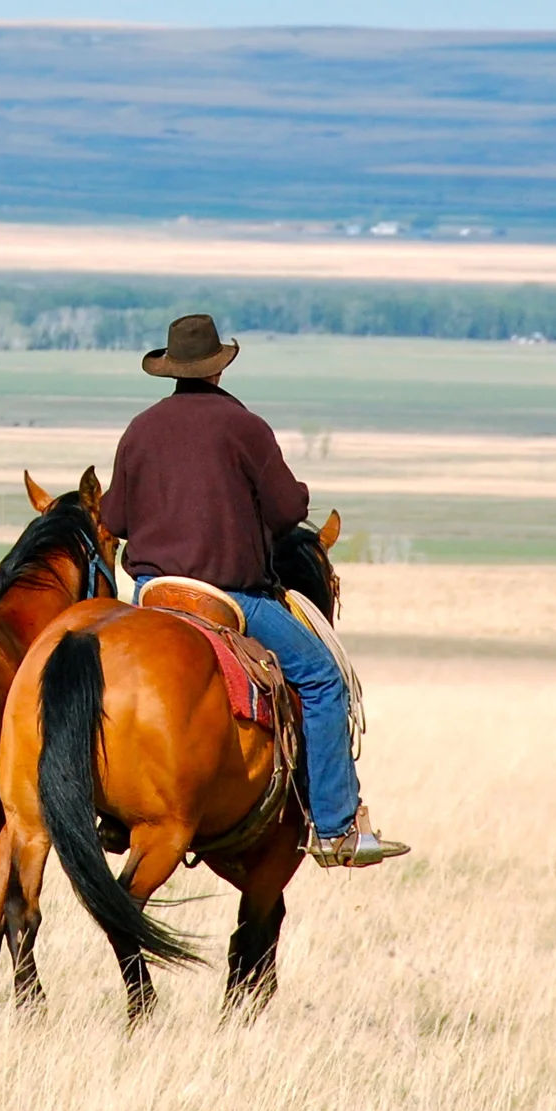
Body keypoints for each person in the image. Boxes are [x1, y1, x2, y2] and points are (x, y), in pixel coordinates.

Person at [100, 313, 409, 869]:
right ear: (218, 369)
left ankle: (112, 809)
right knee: (321, 679)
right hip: (229, 597)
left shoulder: (139, 429)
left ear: (170, 370)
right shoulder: (245, 427)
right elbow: (290, 511)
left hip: (152, 594)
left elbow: (114, 518)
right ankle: (336, 828)